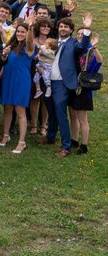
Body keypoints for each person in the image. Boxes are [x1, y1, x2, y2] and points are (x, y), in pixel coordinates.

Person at [39, 14, 92, 157]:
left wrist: (86, 28)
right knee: (50, 109)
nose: (63, 28)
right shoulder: (53, 41)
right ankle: (51, 137)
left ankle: (66, 146)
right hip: (48, 81)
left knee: (61, 113)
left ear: (71, 30)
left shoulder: (74, 43)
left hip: (62, 83)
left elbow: (84, 47)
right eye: (61, 26)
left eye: (66, 27)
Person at [0, 19, 38, 154]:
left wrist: (31, 28)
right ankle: (5, 135)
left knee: (20, 112)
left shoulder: (30, 47)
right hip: (8, 79)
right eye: (19, 31)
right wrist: (4, 53)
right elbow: (4, 62)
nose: (20, 34)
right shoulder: (12, 46)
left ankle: (22, 142)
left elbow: (30, 41)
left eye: (23, 32)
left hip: (22, 81)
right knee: (7, 108)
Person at [69, 31, 102, 155]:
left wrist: (95, 47)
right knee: (73, 114)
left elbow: (99, 60)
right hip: (72, 86)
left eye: (83, 34)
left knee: (82, 118)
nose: (80, 36)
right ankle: (74, 140)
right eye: (78, 34)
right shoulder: (75, 50)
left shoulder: (90, 51)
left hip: (83, 88)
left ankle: (84, 145)